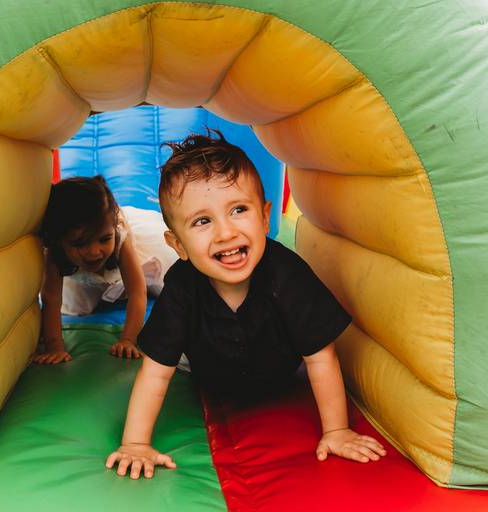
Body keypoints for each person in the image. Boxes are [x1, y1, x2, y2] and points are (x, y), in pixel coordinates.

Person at [105, 131, 386, 479]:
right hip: (209, 374)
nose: (226, 233)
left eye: (239, 210)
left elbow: (320, 356)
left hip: (280, 375)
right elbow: (156, 371)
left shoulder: (287, 274)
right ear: (177, 245)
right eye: (203, 221)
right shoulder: (181, 286)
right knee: (175, 355)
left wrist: (337, 430)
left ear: (265, 218)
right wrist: (135, 443)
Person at [34, 176, 176, 363]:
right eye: (80, 243)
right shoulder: (55, 251)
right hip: (80, 270)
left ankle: (119, 281)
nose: (94, 252)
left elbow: (136, 291)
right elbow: (51, 299)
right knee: (77, 307)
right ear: (60, 240)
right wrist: (54, 347)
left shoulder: (118, 236)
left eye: (104, 239)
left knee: (167, 282)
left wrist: (128, 340)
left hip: (125, 257)